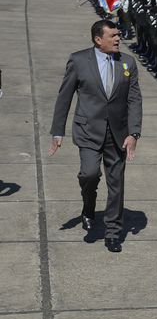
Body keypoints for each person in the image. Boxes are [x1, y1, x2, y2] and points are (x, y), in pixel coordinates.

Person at [49, 19, 143, 253]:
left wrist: (134, 133)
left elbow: (134, 100)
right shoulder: (79, 60)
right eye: (112, 36)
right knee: (89, 174)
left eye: (118, 35)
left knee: (116, 183)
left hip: (118, 133)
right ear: (98, 39)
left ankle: (112, 231)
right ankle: (88, 205)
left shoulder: (128, 62)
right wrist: (57, 131)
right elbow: (65, 96)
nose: (118, 39)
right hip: (88, 130)